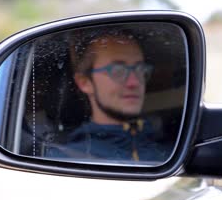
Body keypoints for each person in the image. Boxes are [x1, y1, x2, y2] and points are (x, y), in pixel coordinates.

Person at [45, 29, 170, 163]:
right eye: (118, 71)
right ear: (85, 83)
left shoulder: (173, 151)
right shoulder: (65, 159)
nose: (134, 82)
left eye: (140, 69)